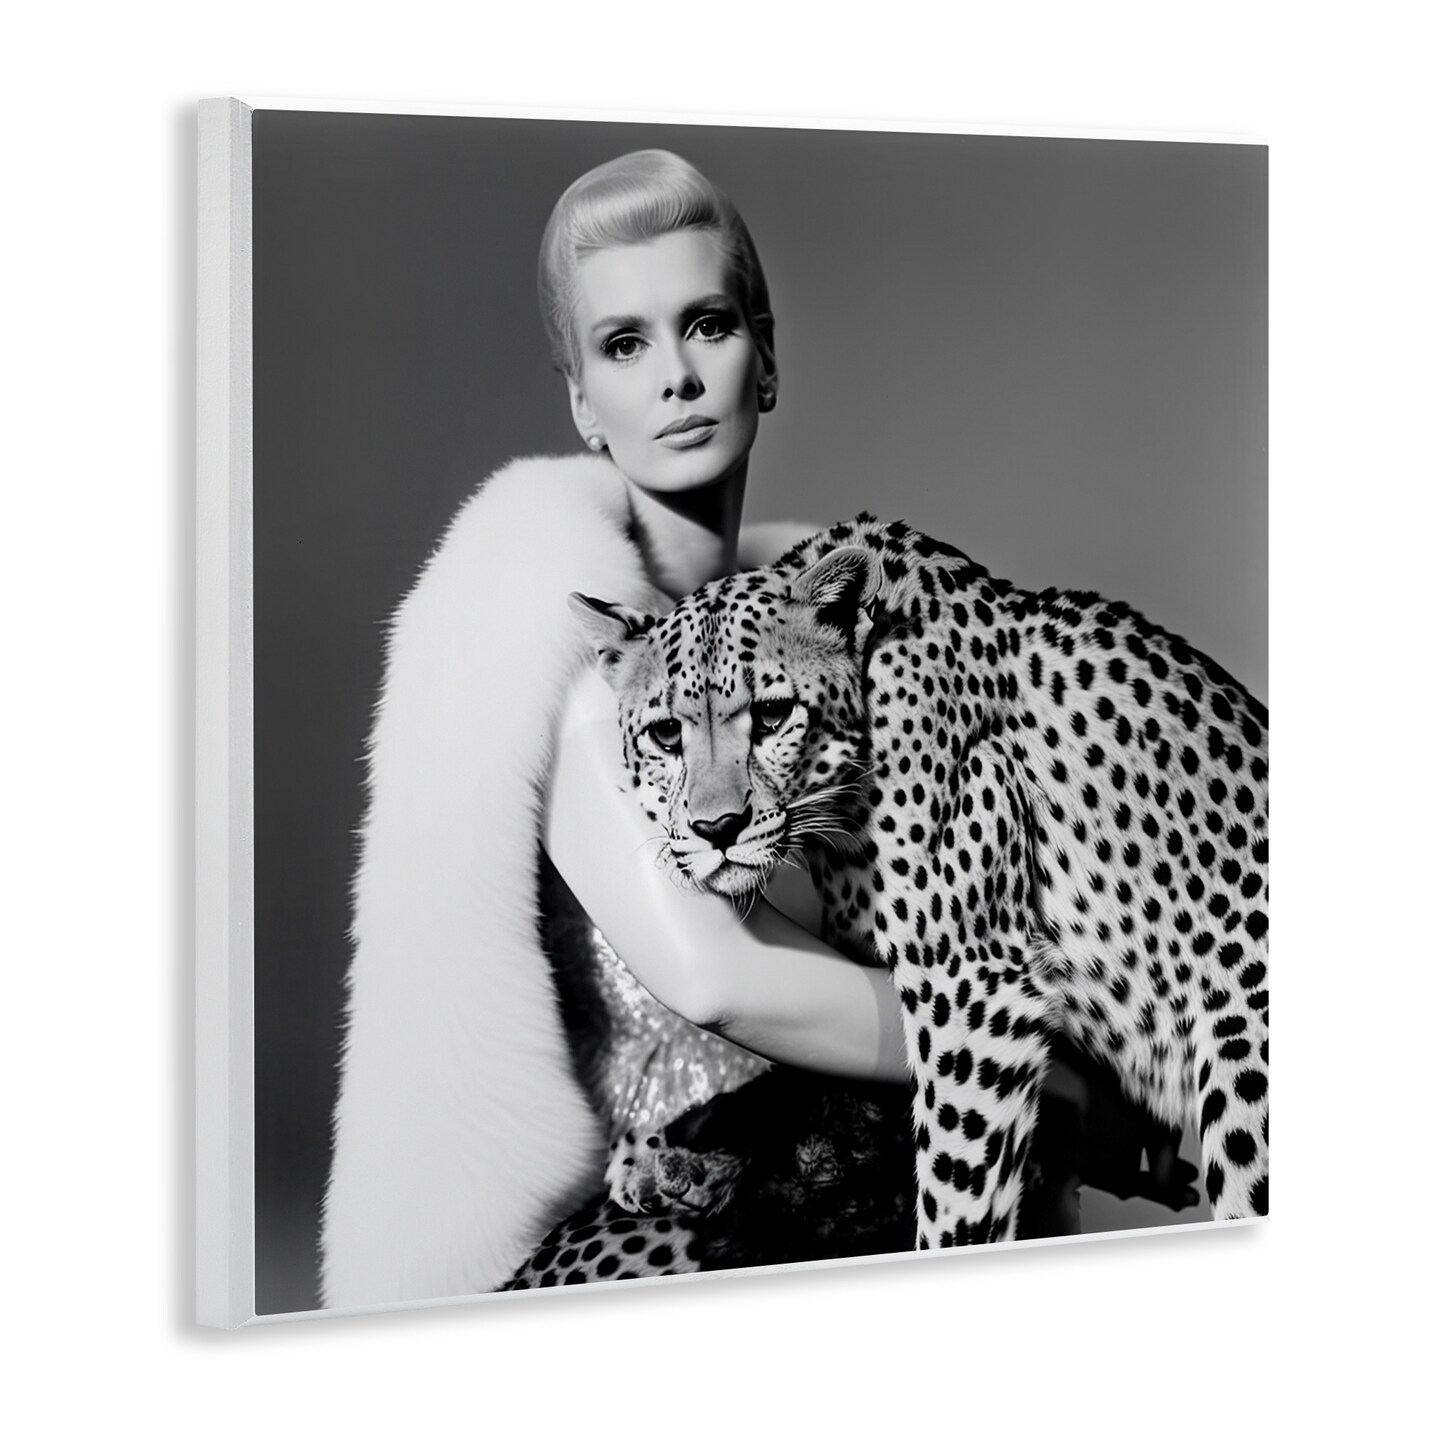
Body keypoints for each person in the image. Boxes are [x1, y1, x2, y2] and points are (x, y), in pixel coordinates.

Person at [320, 149, 1193, 1312]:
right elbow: (724, 980)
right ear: (582, 403)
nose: (677, 377)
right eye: (624, 345)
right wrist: (1064, 1073)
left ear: (766, 358)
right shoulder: (571, 651)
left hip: (851, 1191)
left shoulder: (827, 627)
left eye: (708, 325)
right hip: (662, 1245)